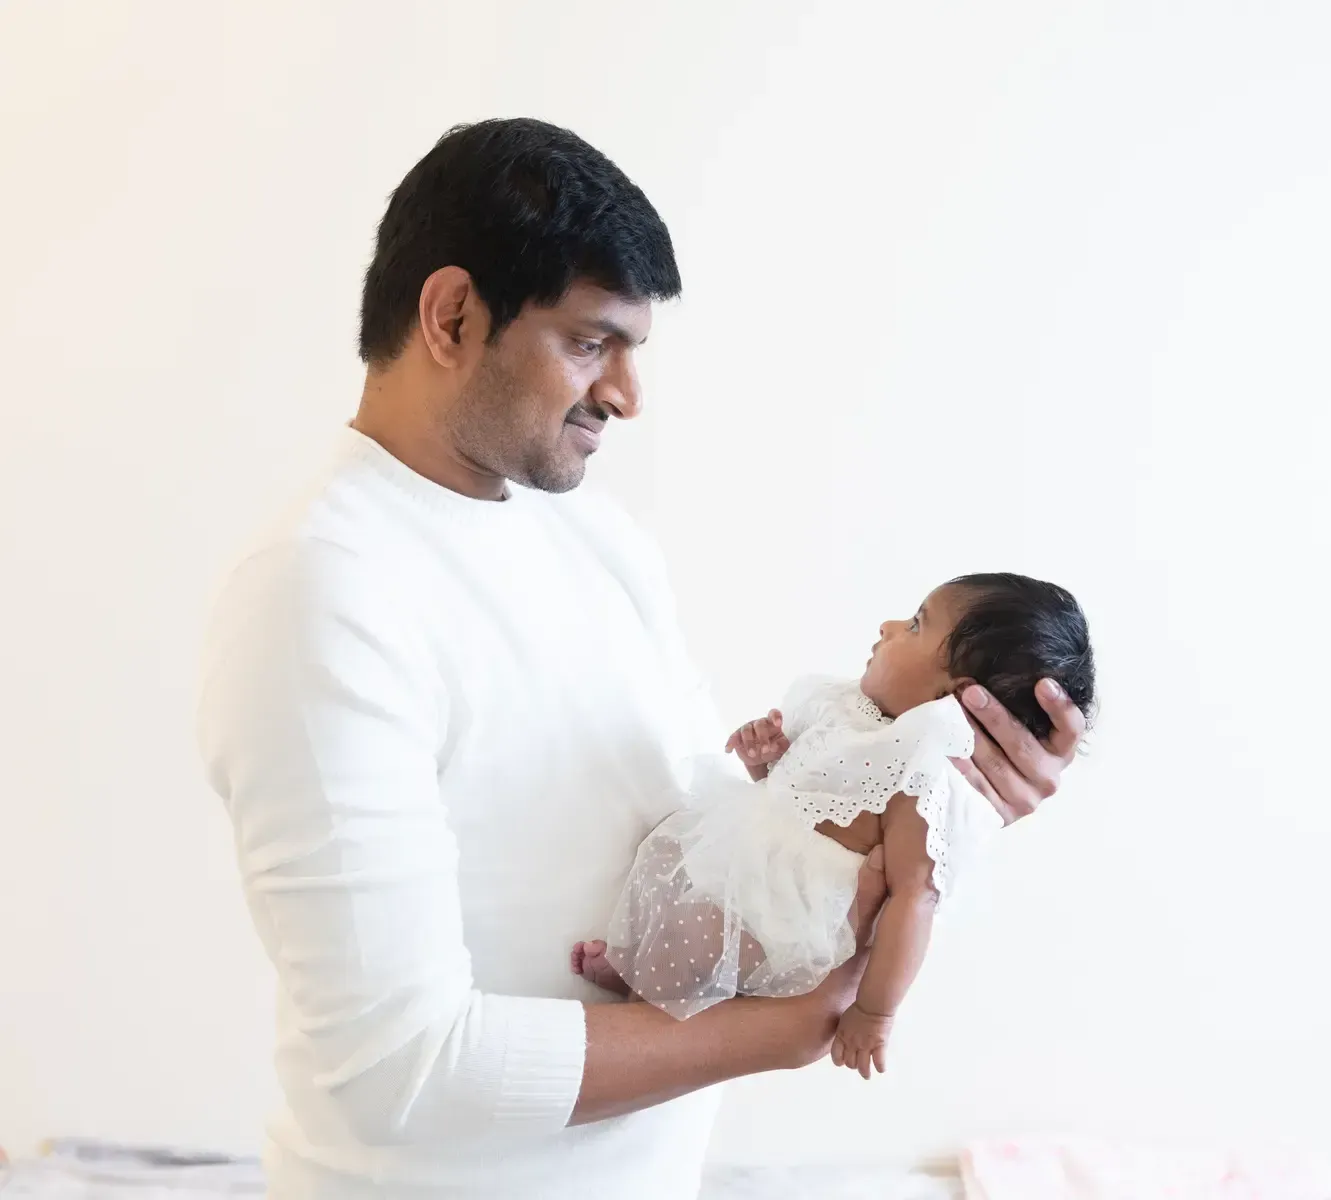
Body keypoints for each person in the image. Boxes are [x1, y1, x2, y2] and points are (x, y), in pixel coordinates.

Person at [197, 117, 1087, 1200]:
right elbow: (400, 1069)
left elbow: (717, 825)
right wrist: (785, 1031)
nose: (626, 393)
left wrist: (943, 793)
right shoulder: (323, 592)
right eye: (589, 342)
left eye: (633, 351)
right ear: (451, 315)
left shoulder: (594, 540)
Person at [575, 573, 1095, 1080]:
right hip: (753, 847)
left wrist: (874, 1012)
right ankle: (635, 957)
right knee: (668, 859)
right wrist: (768, 760)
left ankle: (645, 998)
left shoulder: (924, 776)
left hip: (783, 916)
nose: (889, 626)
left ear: (957, 697)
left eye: (916, 625)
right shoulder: (852, 711)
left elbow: (916, 898)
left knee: (699, 929)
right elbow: (804, 793)